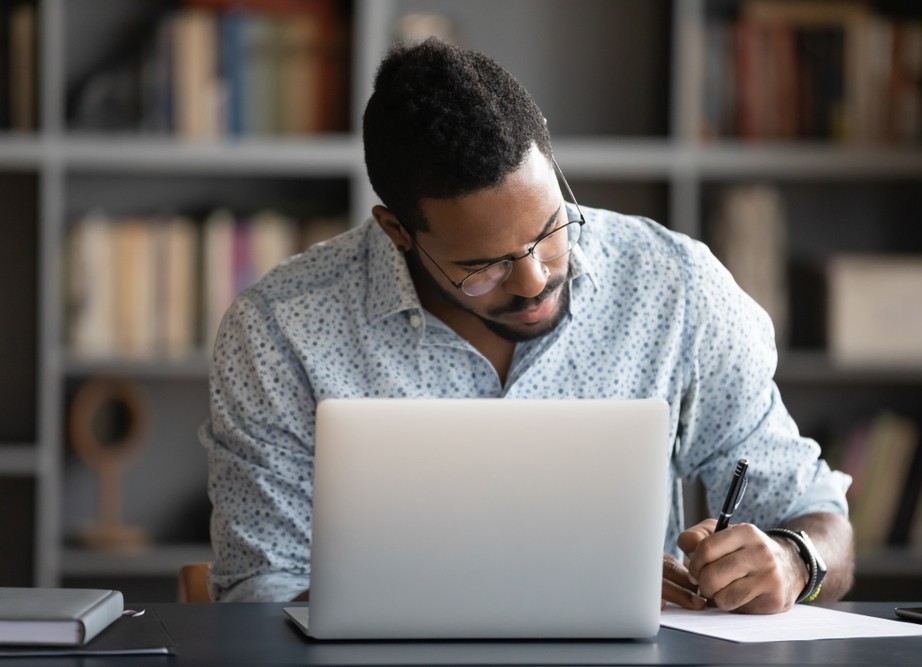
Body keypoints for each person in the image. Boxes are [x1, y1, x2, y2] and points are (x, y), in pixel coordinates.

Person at [200, 38, 854, 611]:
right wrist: (544, 589)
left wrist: (796, 560)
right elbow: (261, 596)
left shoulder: (674, 285)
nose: (534, 280)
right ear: (396, 229)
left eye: (550, 232)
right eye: (482, 267)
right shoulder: (279, 333)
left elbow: (821, 519)